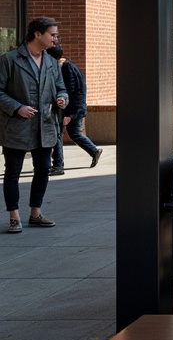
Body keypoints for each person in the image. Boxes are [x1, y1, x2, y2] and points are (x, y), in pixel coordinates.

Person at [0, 17, 68, 232]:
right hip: (17, 125)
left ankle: (35, 213)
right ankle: (14, 216)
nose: (56, 39)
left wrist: (62, 98)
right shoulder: (9, 59)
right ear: (38, 34)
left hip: (45, 123)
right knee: (13, 171)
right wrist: (16, 107)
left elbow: (61, 87)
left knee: (43, 169)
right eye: (53, 34)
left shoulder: (50, 61)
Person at [45, 46, 102, 174]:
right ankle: (93, 151)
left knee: (65, 134)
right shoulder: (67, 66)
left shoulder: (66, 68)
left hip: (72, 109)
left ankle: (58, 165)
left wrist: (69, 113)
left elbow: (72, 91)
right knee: (73, 133)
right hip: (74, 108)